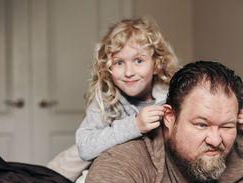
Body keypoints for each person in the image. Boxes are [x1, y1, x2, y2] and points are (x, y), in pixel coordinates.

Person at [73, 61, 243, 183]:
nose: (215, 140)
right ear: (170, 118)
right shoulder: (131, 155)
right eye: (202, 124)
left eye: (226, 127)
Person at [75, 17, 179, 161]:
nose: (129, 72)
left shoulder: (173, 97)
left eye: (138, 61)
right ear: (108, 67)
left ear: (156, 65)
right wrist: (135, 125)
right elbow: (84, 148)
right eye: (119, 63)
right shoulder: (106, 101)